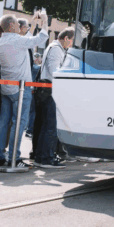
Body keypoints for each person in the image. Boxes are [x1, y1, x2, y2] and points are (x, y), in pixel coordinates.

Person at [0, 12, 48, 168]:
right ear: (11, 25)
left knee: (3, 122)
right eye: (17, 24)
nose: (19, 27)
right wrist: (44, 20)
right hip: (21, 88)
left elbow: (26, 40)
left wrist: (32, 23)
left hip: (7, 88)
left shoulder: (1, 41)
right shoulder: (16, 40)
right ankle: (14, 158)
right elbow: (40, 39)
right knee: (19, 123)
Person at [34, 28, 74, 169]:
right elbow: (55, 70)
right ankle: (47, 158)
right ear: (66, 38)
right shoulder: (57, 49)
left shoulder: (53, 47)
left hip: (46, 89)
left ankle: (40, 156)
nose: (71, 44)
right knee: (51, 126)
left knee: (46, 125)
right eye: (71, 40)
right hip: (51, 89)